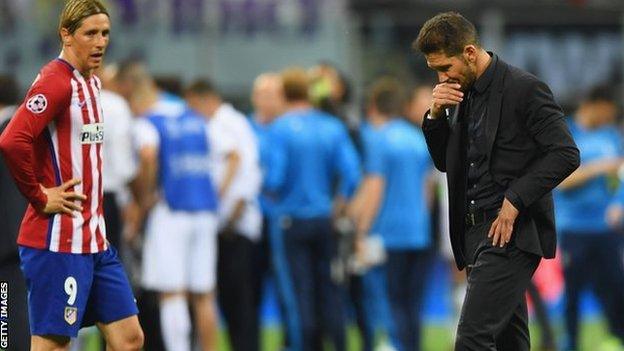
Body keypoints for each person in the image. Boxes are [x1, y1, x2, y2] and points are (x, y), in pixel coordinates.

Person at [414, 12, 580, 350]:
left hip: (511, 233)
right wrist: (434, 116)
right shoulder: (461, 92)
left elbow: (565, 154)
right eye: (435, 71)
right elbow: (447, 163)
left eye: (445, 68)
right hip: (475, 233)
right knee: (509, 342)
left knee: (472, 340)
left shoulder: (524, 88)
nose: (442, 77)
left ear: (471, 52)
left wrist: (515, 199)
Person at [0, 1, 144, 350]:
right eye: (90, 33)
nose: (99, 42)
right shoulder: (56, 82)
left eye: (105, 33)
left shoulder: (90, 83)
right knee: (54, 345)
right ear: (66, 34)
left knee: (129, 339)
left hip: (94, 240)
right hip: (58, 242)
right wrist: (39, 195)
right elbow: (11, 139)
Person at [265, 67, 361, 351]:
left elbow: (275, 177)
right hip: (324, 220)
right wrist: (340, 202)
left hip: (290, 221)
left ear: (283, 94)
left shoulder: (280, 128)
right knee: (330, 292)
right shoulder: (331, 126)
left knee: (298, 296)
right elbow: (352, 172)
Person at [131, 65, 226, 351]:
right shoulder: (197, 120)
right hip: (205, 211)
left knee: (172, 293)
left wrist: (144, 198)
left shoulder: (149, 122)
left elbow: (148, 156)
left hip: (171, 212)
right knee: (204, 295)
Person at [352, 77, 434, 351]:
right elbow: (428, 190)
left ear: (373, 107)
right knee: (413, 303)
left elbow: (374, 189)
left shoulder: (378, 139)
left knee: (388, 301)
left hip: (386, 234)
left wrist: (361, 231)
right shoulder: (417, 139)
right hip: (418, 231)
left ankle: (395, 345)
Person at [185, 79, 263, 351]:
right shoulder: (224, 122)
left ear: (204, 99)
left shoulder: (227, 123)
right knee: (228, 300)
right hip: (225, 224)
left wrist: (228, 212)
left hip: (234, 226)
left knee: (237, 302)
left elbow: (245, 169)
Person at [555, 86, 624, 351]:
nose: (609, 118)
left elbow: (619, 176)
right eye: (606, 112)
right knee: (573, 291)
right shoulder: (566, 133)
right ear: (593, 105)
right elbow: (561, 181)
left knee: (616, 288)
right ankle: (569, 343)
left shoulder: (610, 135)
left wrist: (619, 204)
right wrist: (598, 168)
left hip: (607, 227)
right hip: (574, 228)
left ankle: (617, 338)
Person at [0, 74, 31, 350]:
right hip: (26, 233)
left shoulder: (10, 130)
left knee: (8, 308)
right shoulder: (28, 126)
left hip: (10, 240)